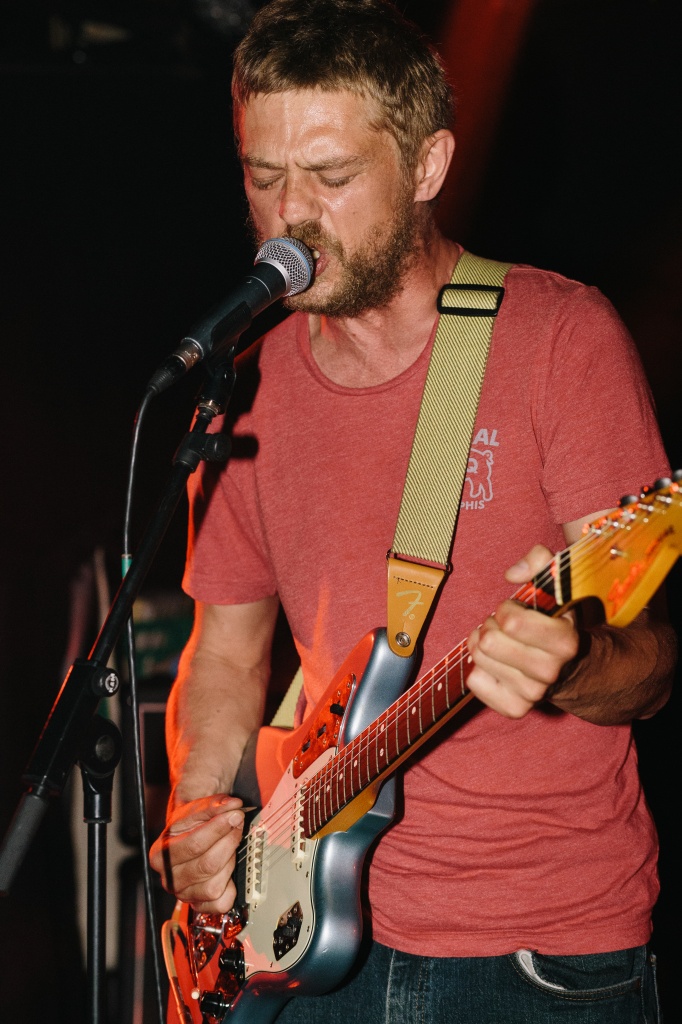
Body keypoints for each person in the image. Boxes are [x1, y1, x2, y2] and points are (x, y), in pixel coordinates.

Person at [149, 1, 676, 1020]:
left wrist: (573, 662)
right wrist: (200, 819)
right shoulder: (249, 388)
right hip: (299, 939)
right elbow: (222, 655)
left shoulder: (558, 341)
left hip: (532, 950)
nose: (290, 214)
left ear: (428, 165)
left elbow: (649, 667)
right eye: (264, 175)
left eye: (331, 175)